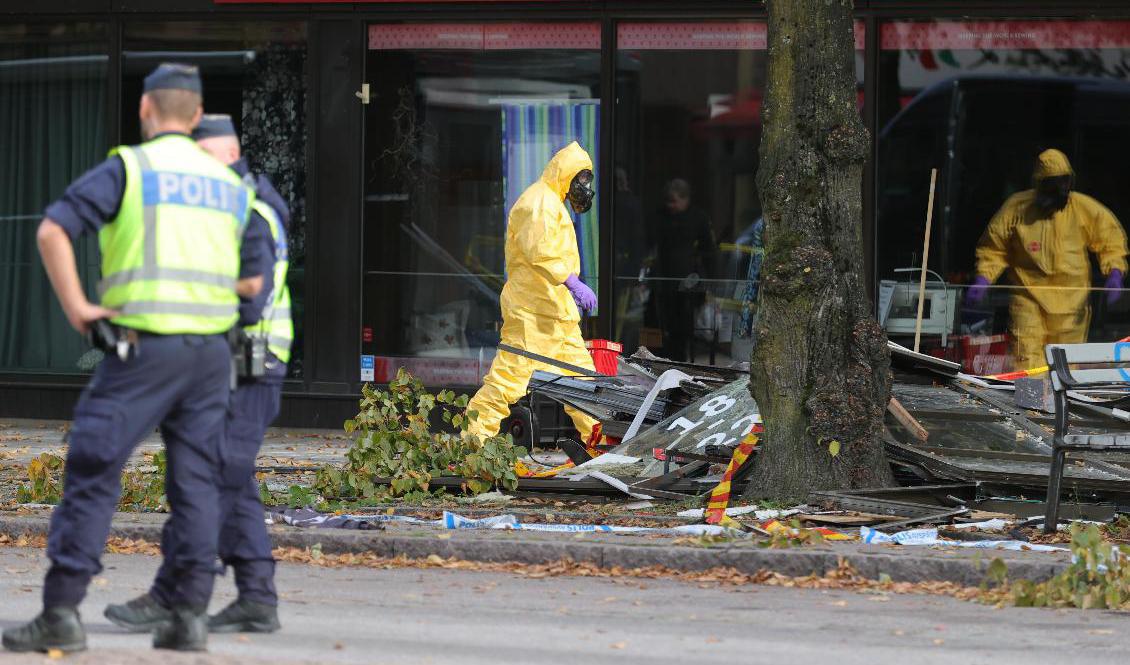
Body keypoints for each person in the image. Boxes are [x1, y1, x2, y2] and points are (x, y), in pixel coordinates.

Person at [2, 64, 264, 654]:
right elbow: (253, 279)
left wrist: (80, 311)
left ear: (146, 111)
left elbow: (52, 231)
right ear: (196, 117)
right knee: (196, 481)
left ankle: (61, 612)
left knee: (95, 467)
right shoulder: (230, 185)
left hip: (143, 347)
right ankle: (189, 618)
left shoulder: (131, 167)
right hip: (210, 355)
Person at [103, 114, 292, 635]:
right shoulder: (236, 206)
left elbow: (249, 299)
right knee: (225, 477)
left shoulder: (249, 210)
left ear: (228, 156)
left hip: (249, 365)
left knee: (210, 477)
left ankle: (175, 593)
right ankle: (255, 596)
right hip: (234, 366)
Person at [465, 142, 600, 443]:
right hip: (531, 314)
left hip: (555, 314)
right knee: (506, 383)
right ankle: (473, 443)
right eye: (580, 179)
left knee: (585, 384)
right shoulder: (537, 202)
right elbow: (540, 251)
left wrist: (569, 290)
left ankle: (600, 443)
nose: (584, 188)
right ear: (565, 174)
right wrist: (572, 283)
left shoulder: (552, 203)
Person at [967, 149, 1129, 370]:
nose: (1059, 192)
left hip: (1072, 304)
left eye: (1063, 185)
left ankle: (1062, 405)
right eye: (1052, 187)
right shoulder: (1017, 208)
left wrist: (1115, 271)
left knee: (1065, 365)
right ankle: (1030, 404)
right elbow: (994, 247)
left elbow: (1110, 240)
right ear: (1039, 184)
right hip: (1029, 298)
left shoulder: (1083, 209)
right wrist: (983, 278)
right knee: (1027, 357)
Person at [649, 178, 718, 362]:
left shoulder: (698, 218)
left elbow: (708, 250)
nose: (670, 205)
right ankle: (666, 356)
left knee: (685, 324)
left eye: (674, 201)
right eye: (668, 201)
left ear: (685, 199)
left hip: (689, 280)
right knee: (664, 322)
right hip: (664, 278)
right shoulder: (661, 217)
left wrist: (708, 279)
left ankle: (681, 357)